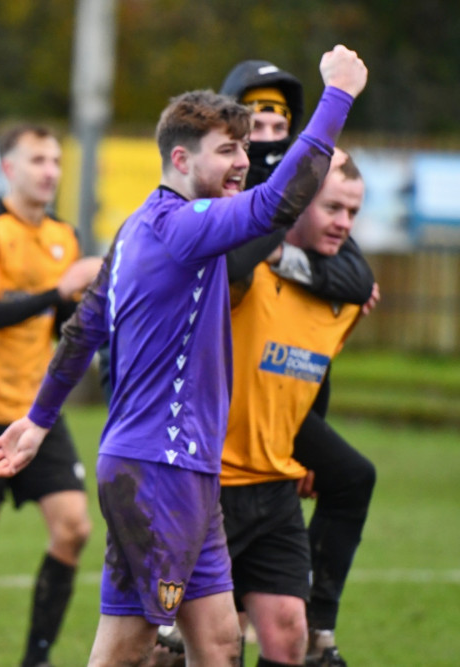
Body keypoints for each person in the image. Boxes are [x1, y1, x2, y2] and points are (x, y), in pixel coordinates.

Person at [0, 45, 368, 666]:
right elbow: (279, 204)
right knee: (127, 649)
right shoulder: (183, 227)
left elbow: (83, 329)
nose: (244, 162)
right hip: (159, 471)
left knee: (217, 640)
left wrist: (40, 419)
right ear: (181, 158)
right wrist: (337, 95)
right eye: (228, 150)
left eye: (245, 148)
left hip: (177, 469)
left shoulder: (138, 228)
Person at [221, 60, 378, 667]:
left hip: (270, 452)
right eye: (256, 117)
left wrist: (287, 254)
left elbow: (356, 279)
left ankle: (323, 630)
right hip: (196, 448)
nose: (268, 129)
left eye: (280, 118)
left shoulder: (299, 196)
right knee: (179, 640)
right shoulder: (216, 198)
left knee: (281, 630)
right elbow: (227, 267)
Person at [0, 123, 100, 667]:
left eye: (56, 160)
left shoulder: (66, 237)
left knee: (75, 528)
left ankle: (36, 658)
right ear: (9, 168)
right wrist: (58, 289)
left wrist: (94, 306)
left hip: (36, 417)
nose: (50, 171)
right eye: (38, 160)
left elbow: (61, 325)